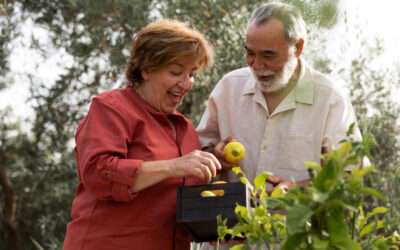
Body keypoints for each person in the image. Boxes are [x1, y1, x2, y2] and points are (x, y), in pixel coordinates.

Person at [62, 19, 221, 250]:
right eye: (176, 72)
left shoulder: (186, 130)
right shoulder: (112, 107)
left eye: (192, 74)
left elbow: (188, 205)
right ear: (146, 69)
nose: (187, 84)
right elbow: (98, 173)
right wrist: (173, 166)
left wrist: (216, 161)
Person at [198, 2, 362, 201]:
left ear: (298, 47)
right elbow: (200, 152)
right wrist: (216, 157)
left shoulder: (330, 99)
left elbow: (350, 174)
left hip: (300, 230)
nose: (256, 65)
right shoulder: (228, 87)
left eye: (268, 55)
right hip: (231, 229)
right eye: (250, 53)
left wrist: (299, 189)